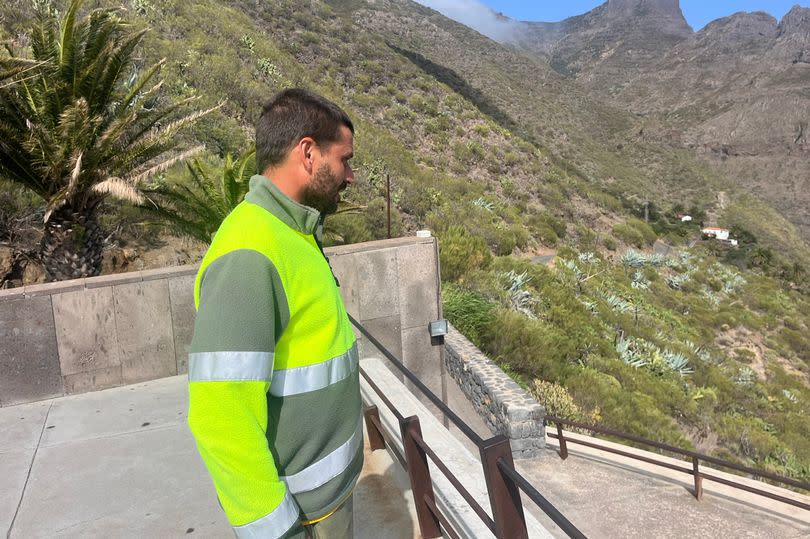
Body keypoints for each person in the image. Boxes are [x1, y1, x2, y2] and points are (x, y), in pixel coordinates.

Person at [187, 88, 361, 538]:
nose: (351, 176)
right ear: (308, 153)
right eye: (344, 160)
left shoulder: (293, 232)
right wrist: (280, 531)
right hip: (306, 517)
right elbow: (221, 418)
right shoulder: (249, 254)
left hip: (326, 501)